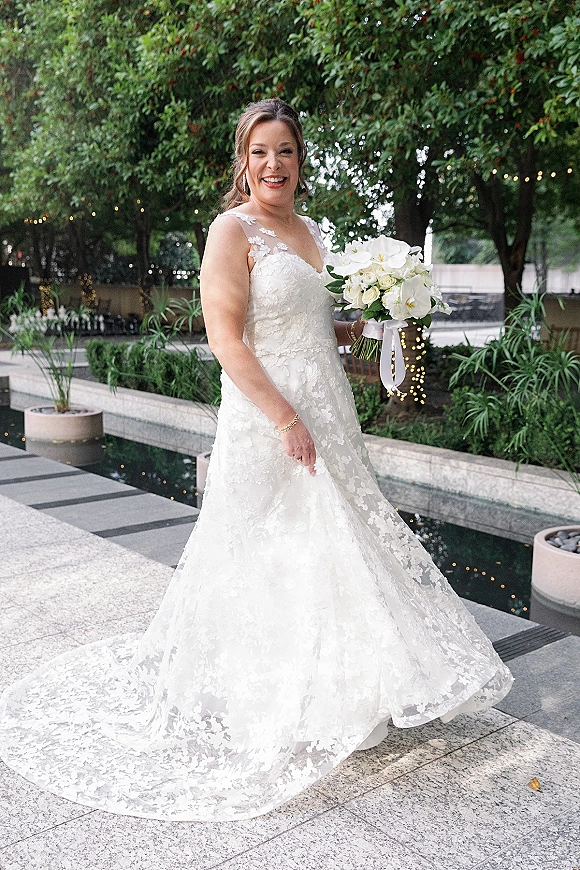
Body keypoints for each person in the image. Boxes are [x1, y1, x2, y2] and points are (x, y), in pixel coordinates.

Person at [0, 99, 512, 822]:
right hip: (270, 412)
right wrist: (283, 418)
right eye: (261, 152)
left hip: (326, 405)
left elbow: (304, 324)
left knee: (333, 542)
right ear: (243, 161)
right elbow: (227, 337)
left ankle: (342, 684)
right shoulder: (229, 230)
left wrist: (361, 322)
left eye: (287, 152)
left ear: (301, 161)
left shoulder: (310, 233)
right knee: (265, 543)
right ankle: (265, 689)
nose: (274, 165)